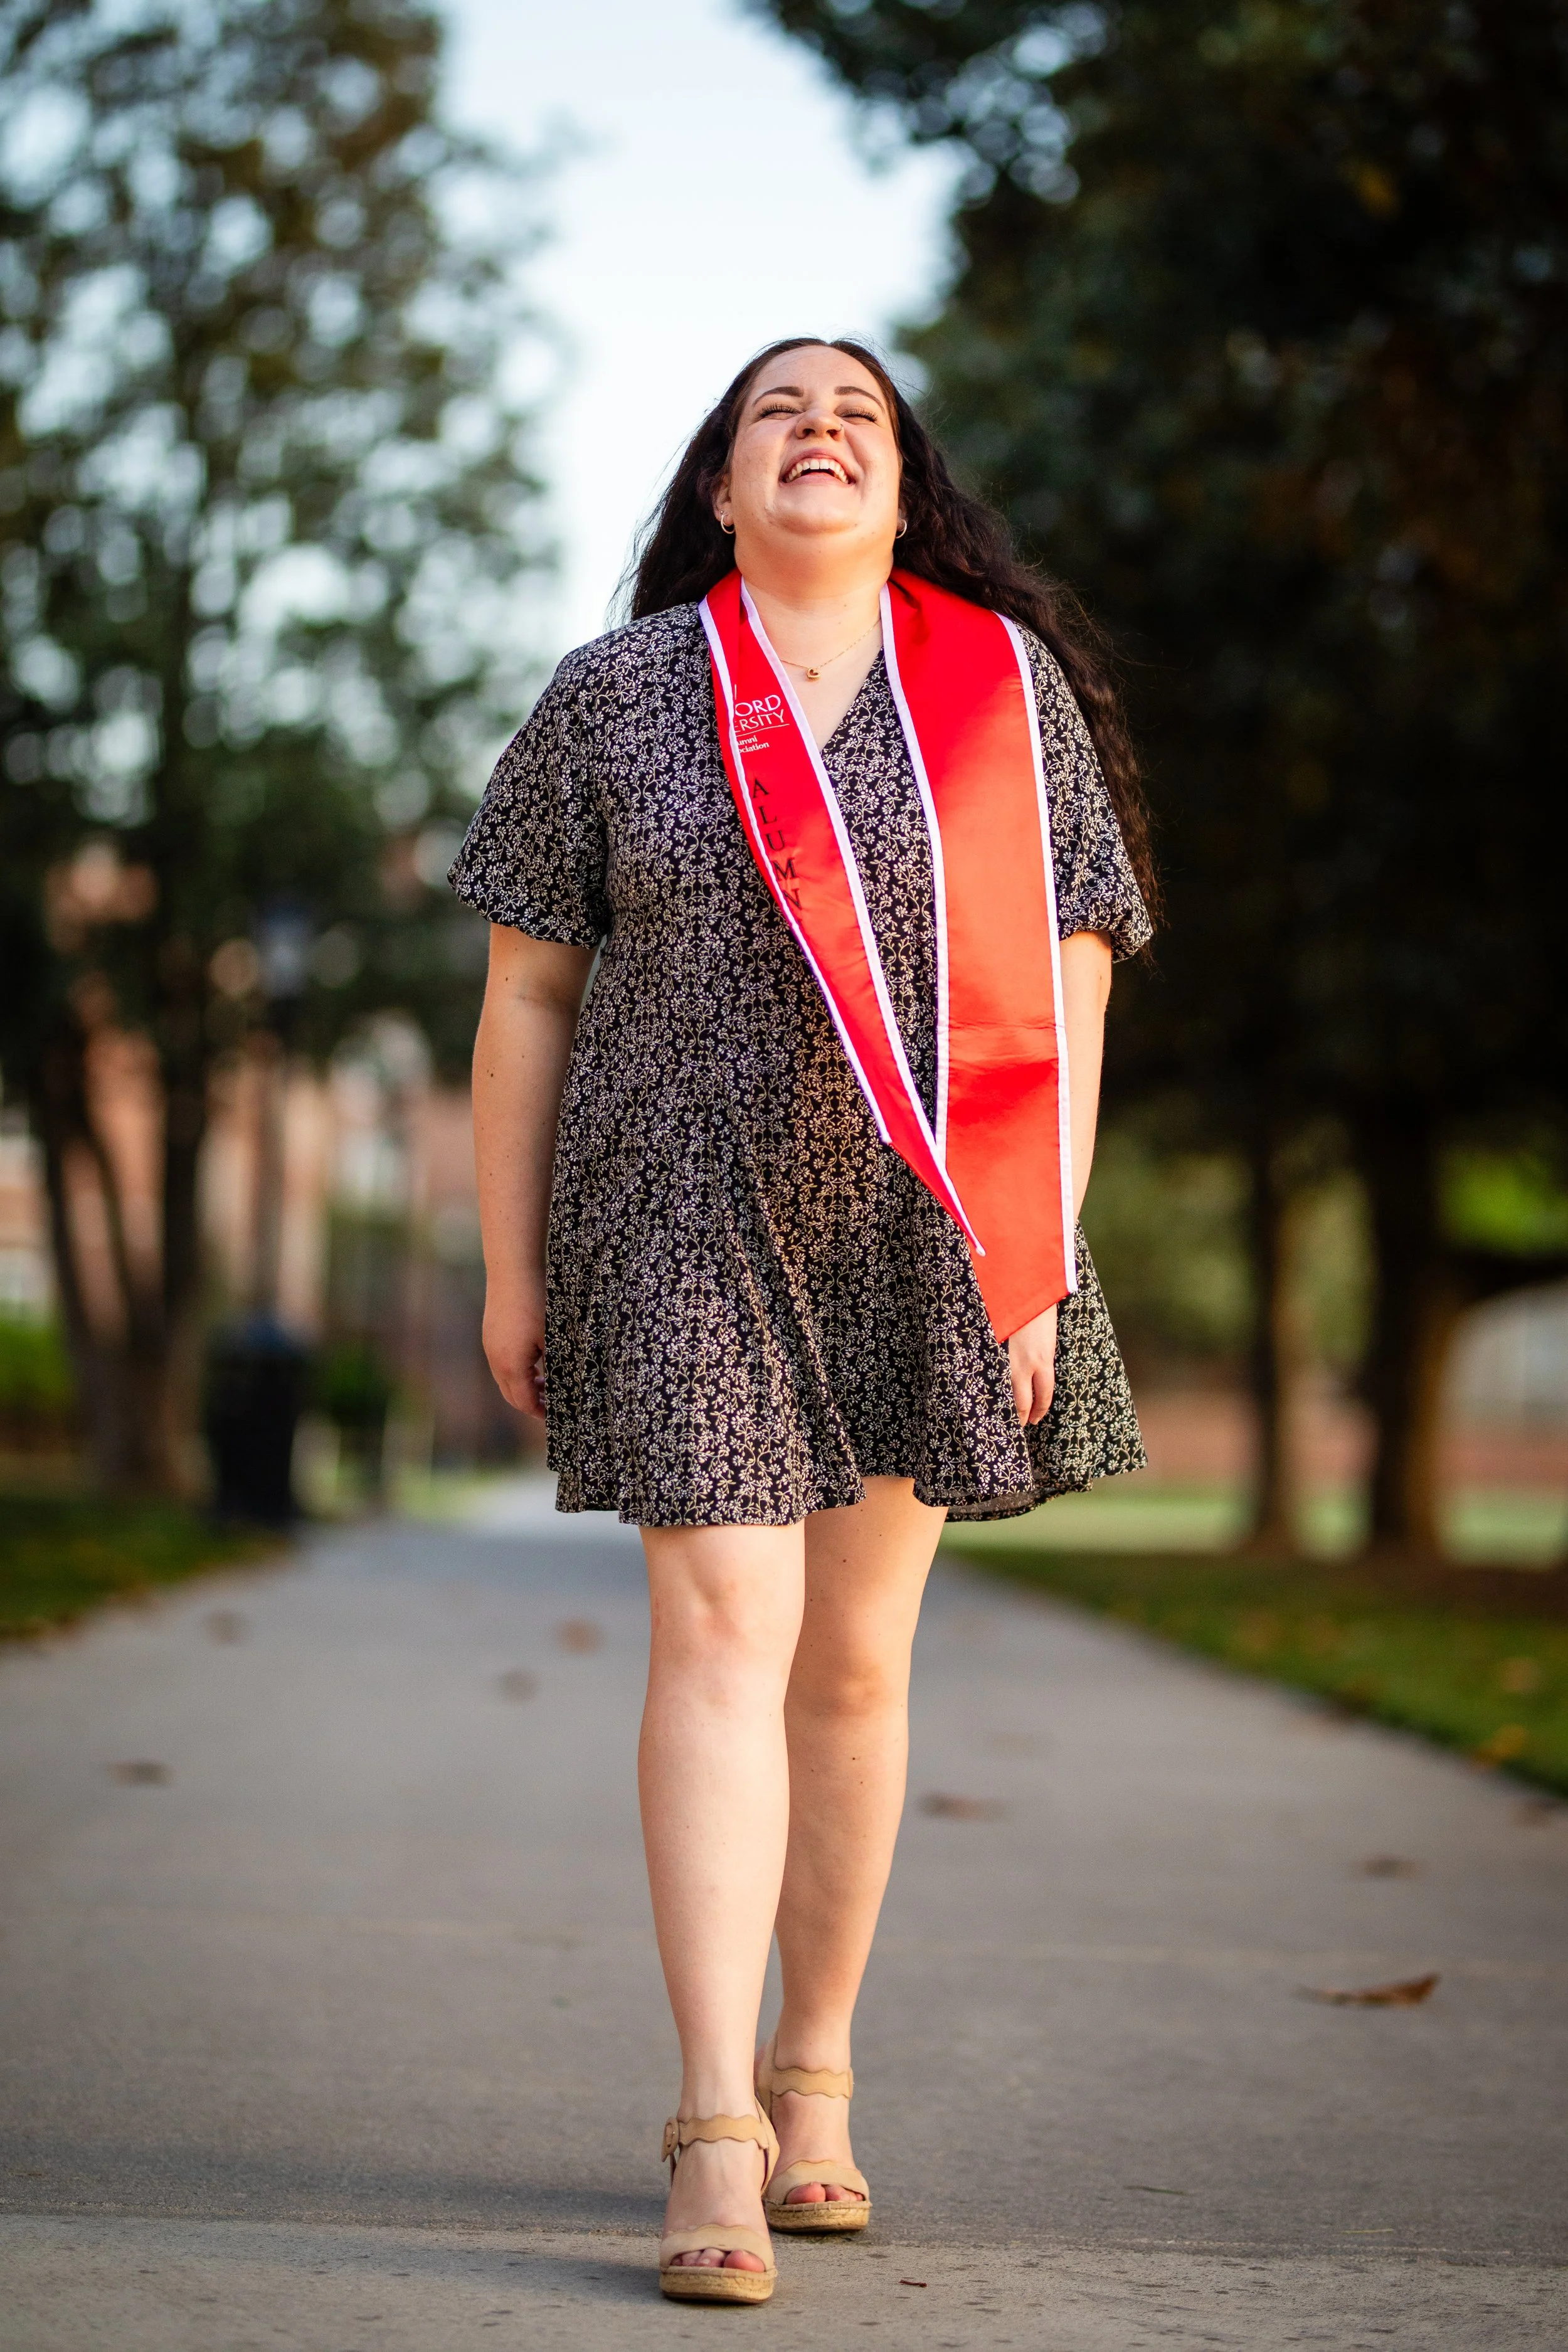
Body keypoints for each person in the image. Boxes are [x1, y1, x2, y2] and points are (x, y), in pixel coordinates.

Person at [452, 337, 1154, 2305]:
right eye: (778, 410)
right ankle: (711, 2124)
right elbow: (523, 995)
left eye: (859, 410)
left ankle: (817, 2068)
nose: (822, 427)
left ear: (906, 489)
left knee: (853, 1661)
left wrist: (1046, 1241)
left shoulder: (1002, 696)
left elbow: (1075, 978)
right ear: (715, 489)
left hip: (931, 1231)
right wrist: (514, 1265)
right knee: (721, 1630)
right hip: (674, 1209)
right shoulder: (615, 696)